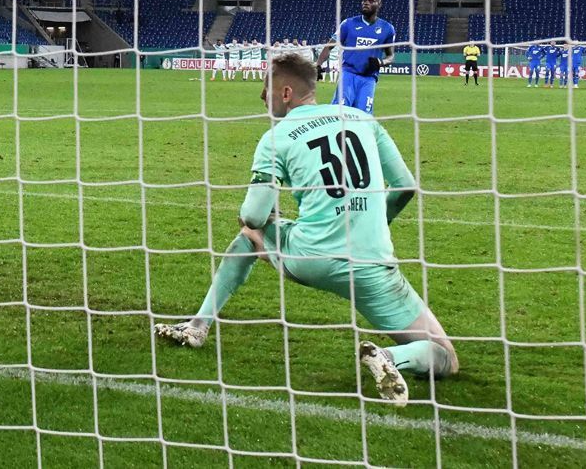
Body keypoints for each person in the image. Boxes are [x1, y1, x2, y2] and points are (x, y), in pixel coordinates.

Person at [154, 52, 458, 406]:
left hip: (309, 256)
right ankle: (391, 358)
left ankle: (198, 326)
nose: (261, 97)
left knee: (250, 235)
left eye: (265, 88)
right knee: (445, 356)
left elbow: (253, 215)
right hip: (373, 264)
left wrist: (261, 221)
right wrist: (376, 222)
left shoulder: (277, 136)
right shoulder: (363, 119)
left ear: (285, 93)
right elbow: (405, 187)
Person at [315, 0, 396, 115]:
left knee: (364, 117)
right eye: (364, 0)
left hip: (369, 79)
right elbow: (329, 46)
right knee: (339, 113)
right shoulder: (348, 24)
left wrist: (381, 62)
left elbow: (390, 56)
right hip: (348, 74)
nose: (366, 2)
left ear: (379, 4)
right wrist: (318, 64)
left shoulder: (387, 29)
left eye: (371, 1)